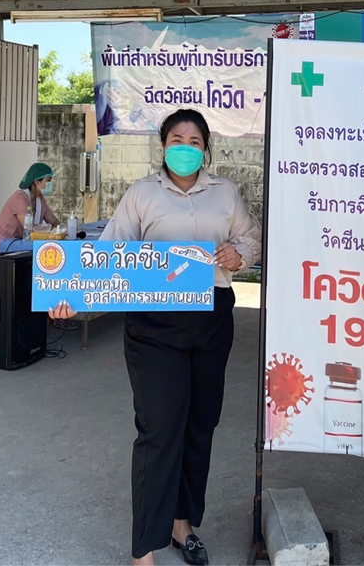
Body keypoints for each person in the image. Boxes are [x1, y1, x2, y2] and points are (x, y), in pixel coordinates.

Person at [51, 109, 261, 566]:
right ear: (163, 146)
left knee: (199, 426)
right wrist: (69, 293)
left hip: (212, 320)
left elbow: (251, 237)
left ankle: (182, 524)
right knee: (159, 429)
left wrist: (238, 253)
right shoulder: (142, 194)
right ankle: (144, 548)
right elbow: (108, 254)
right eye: (176, 140)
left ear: (206, 149)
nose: (185, 148)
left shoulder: (225, 193)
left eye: (194, 141)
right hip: (154, 327)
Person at [0, 162, 60, 252]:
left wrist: (64, 229)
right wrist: (51, 230)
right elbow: (29, 229)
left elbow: (54, 221)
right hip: (5, 246)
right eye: (48, 180)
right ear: (37, 182)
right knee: (44, 250)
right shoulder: (19, 198)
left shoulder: (40, 200)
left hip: (21, 243)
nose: (50, 184)